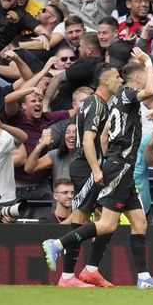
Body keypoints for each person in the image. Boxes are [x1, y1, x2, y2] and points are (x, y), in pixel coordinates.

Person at [43, 48, 153, 289]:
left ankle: (142, 278)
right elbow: (150, 90)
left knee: (139, 223)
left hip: (120, 166)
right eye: (118, 77)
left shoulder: (116, 100)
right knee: (106, 224)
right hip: (117, 166)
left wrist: (148, 70)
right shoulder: (124, 94)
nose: (120, 80)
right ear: (137, 80)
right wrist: (146, 61)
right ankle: (57, 245)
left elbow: (103, 137)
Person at [57, 63, 119, 288]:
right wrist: (96, 169)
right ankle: (67, 276)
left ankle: (90, 270)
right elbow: (86, 140)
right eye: (116, 77)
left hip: (90, 165)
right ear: (105, 81)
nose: (119, 81)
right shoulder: (96, 105)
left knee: (107, 220)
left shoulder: (96, 103)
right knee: (80, 219)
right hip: (86, 167)